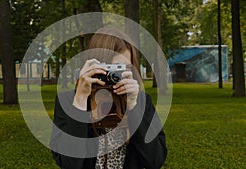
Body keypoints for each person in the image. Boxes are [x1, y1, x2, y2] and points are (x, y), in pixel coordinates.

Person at [50, 27, 167, 169]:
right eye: (110, 68)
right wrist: (80, 101)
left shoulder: (141, 101)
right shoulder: (69, 101)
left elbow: (155, 161)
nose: (115, 76)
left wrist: (133, 106)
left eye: (123, 68)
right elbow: (69, 164)